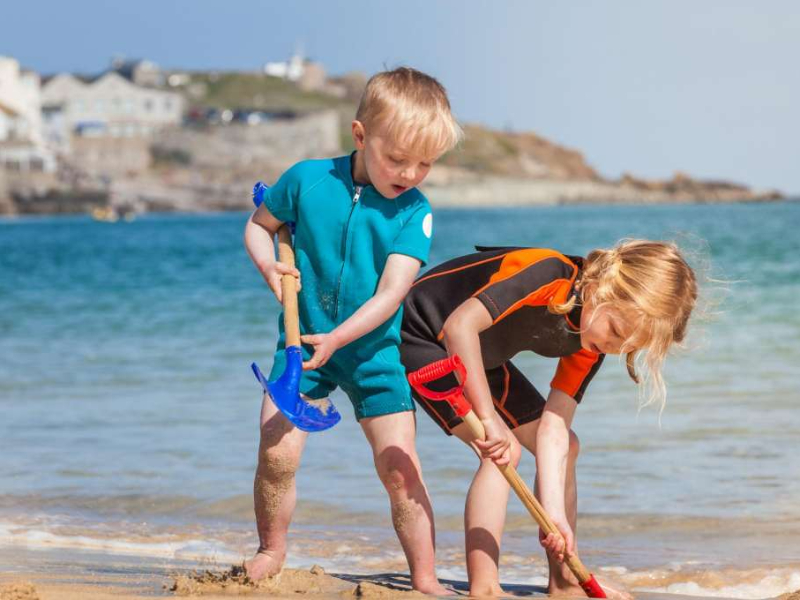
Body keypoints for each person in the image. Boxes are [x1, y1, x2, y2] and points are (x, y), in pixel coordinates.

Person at [243, 67, 462, 594]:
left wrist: (340, 338)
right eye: (398, 158)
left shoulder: (415, 212)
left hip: (373, 354)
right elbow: (259, 225)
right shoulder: (307, 180)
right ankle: (271, 548)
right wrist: (270, 269)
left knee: (399, 469)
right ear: (360, 135)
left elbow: (391, 294)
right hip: (300, 344)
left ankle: (426, 577)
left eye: (425, 163)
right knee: (276, 450)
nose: (410, 173)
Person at [400, 240, 698, 598]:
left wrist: (554, 518)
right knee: (502, 450)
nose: (618, 348)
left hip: (481, 357)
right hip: (423, 334)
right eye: (617, 332)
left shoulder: (590, 344)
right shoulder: (547, 274)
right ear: (605, 288)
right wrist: (488, 417)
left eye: (631, 348)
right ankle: (485, 587)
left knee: (567, 446)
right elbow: (460, 326)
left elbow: (554, 427)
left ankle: (562, 581)